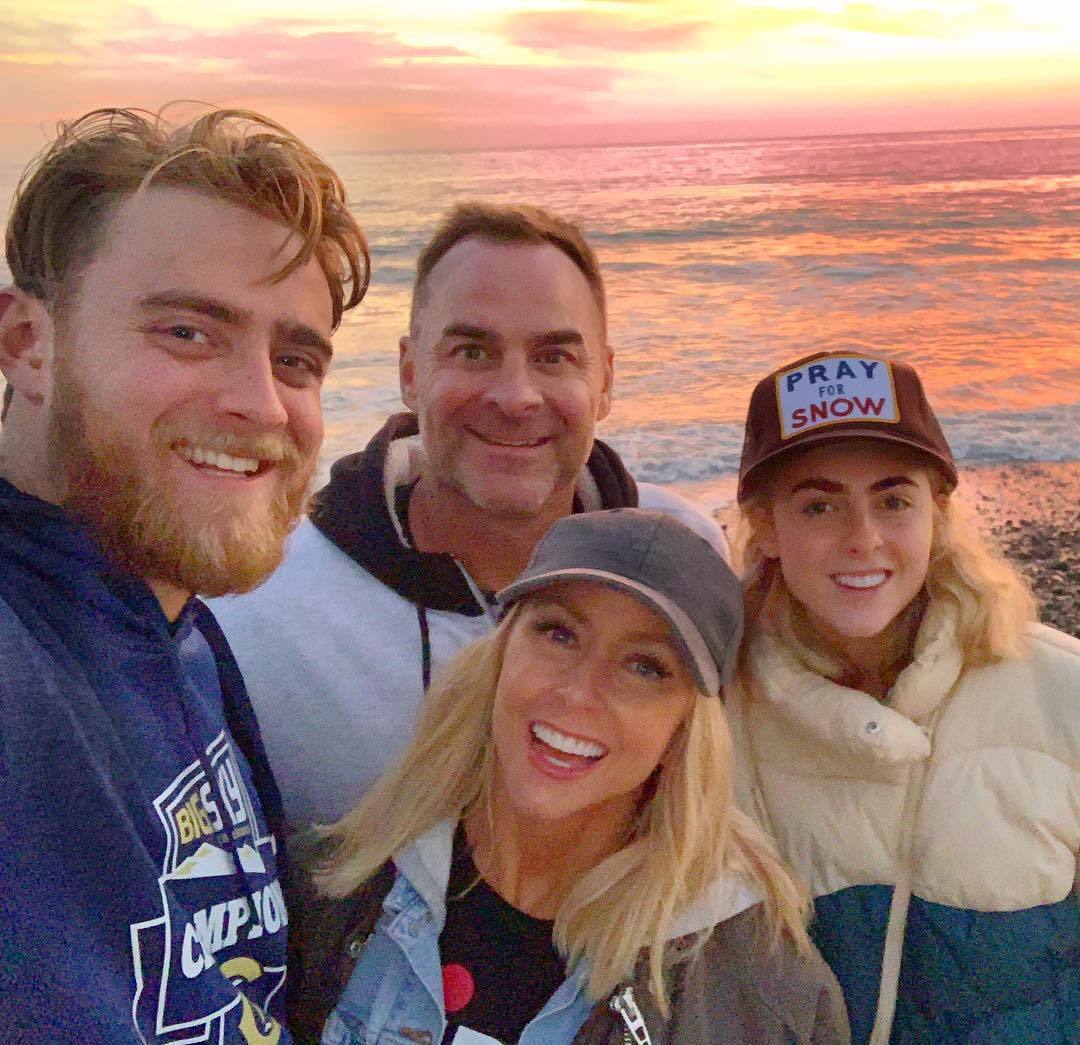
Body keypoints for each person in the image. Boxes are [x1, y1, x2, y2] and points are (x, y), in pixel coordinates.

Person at [0, 107, 369, 1041]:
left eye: (296, 360)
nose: (262, 404)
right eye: (187, 332)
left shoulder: (187, 638)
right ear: (28, 343)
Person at [211, 202, 730, 832]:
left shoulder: (687, 556)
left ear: (605, 381)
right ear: (410, 372)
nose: (515, 397)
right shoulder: (262, 614)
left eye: (555, 357)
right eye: (473, 351)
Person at [287, 508, 849, 1044]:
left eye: (645, 667)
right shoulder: (332, 884)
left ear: (684, 731)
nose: (579, 694)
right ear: (501, 654)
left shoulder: (759, 992)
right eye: (559, 634)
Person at [726, 351, 1080, 1044]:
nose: (863, 540)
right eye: (819, 505)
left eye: (893, 501)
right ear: (765, 526)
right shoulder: (713, 717)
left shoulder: (1061, 691)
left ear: (937, 514)